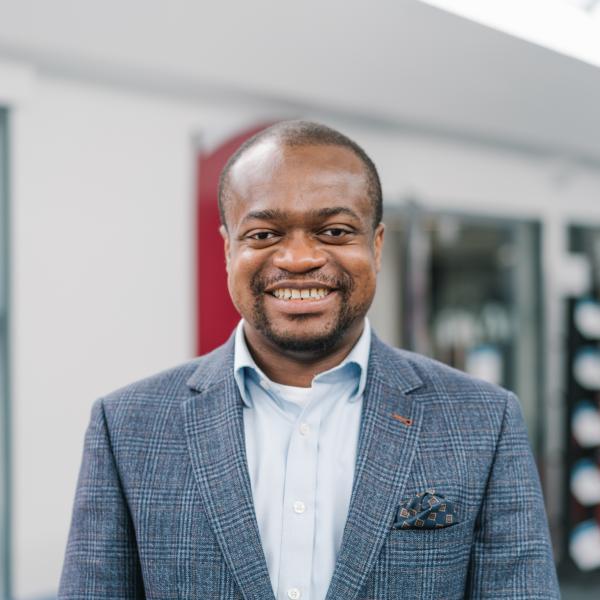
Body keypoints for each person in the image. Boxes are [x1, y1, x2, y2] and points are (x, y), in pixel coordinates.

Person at [59, 121, 560, 599]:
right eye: (263, 235)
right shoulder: (128, 427)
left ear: (377, 245)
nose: (298, 258)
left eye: (335, 231)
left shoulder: (482, 421)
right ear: (228, 249)